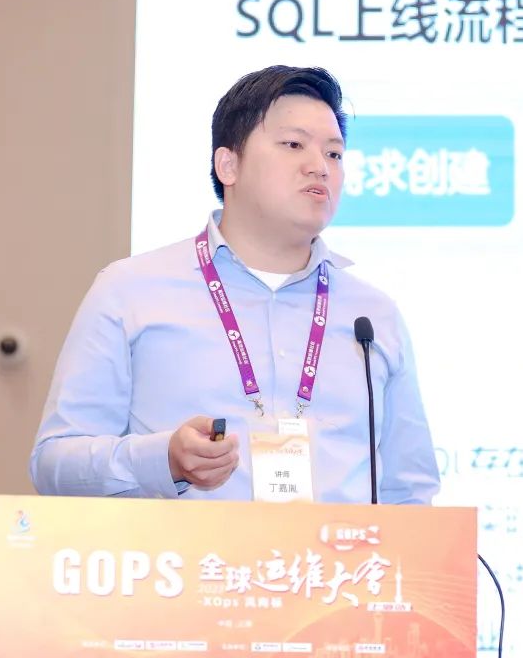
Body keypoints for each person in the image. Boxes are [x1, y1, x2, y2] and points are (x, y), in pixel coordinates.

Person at [30, 65, 439, 504]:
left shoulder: (373, 316)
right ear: (228, 164)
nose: (319, 167)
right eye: (294, 144)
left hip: (334, 551)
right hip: (188, 549)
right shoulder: (130, 291)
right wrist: (163, 460)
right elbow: (54, 464)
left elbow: (409, 491)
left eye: (334, 154)